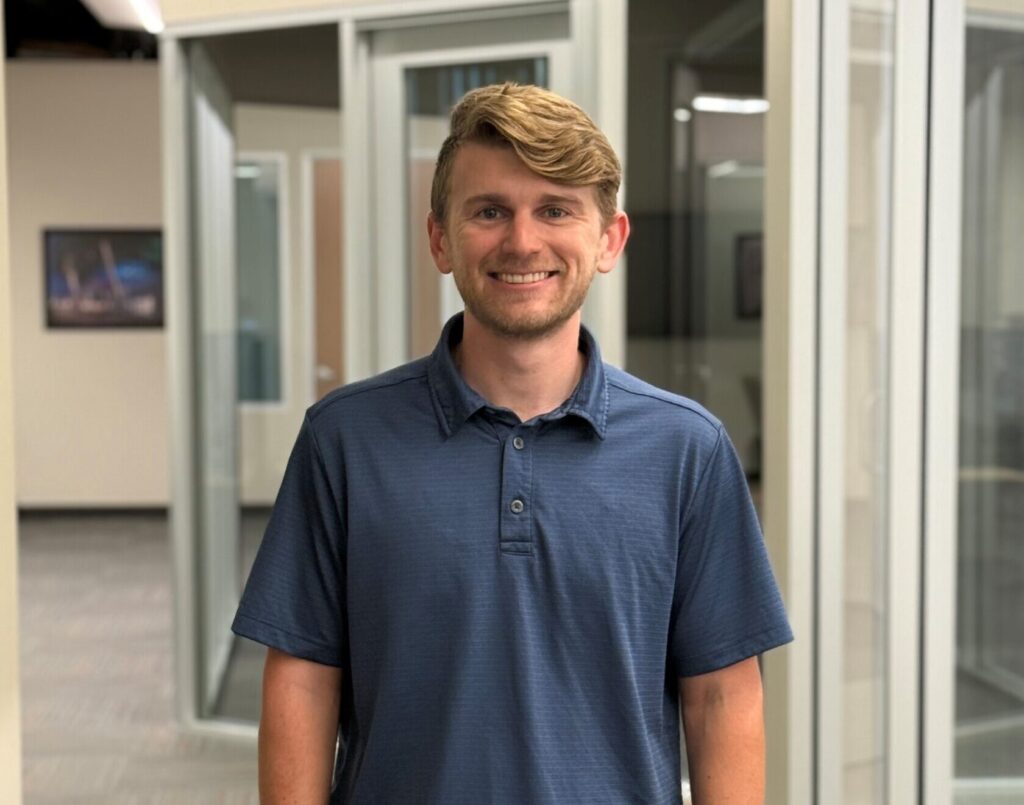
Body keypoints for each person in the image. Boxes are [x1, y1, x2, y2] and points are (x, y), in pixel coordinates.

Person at [233, 82, 793, 805]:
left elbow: (721, 695)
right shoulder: (343, 440)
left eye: (556, 210)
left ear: (609, 240)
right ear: (441, 239)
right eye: (489, 211)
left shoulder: (688, 451)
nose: (523, 242)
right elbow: (303, 681)